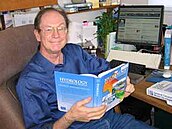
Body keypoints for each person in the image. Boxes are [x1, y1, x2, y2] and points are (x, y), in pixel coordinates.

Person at [16, 7, 155, 129]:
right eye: (48, 29)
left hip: (110, 120)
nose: (56, 35)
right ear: (37, 34)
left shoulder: (74, 52)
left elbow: (105, 69)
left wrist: (122, 82)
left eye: (61, 28)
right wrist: (69, 117)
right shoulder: (30, 81)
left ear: (66, 31)